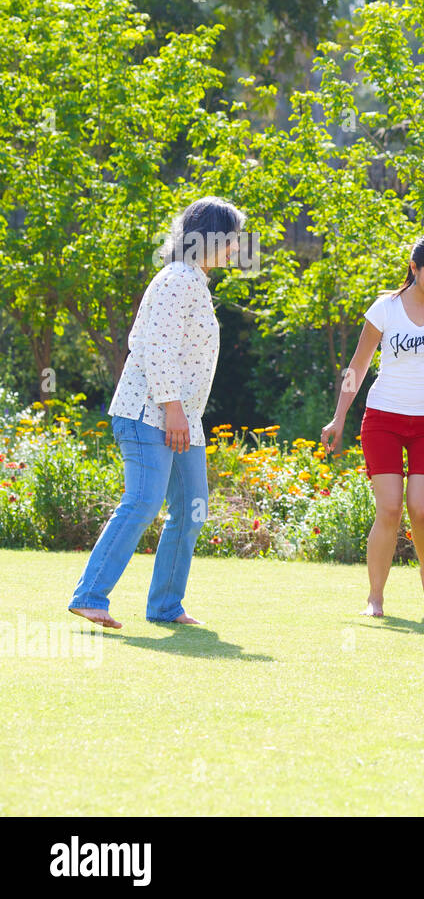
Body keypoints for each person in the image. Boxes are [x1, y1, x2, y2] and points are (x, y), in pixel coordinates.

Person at [68, 196, 246, 629]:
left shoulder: (194, 282)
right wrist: (173, 410)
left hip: (179, 416)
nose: (237, 247)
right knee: (143, 502)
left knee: (193, 507)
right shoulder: (176, 279)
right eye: (232, 239)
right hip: (150, 411)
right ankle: (90, 596)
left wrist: (181, 414)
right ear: (209, 238)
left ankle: (166, 606)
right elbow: (155, 348)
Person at [321, 234, 424, 617]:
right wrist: (339, 415)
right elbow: (358, 366)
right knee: (390, 508)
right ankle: (375, 597)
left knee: (421, 508)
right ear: (413, 269)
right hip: (383, 418)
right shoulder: (385, 308)